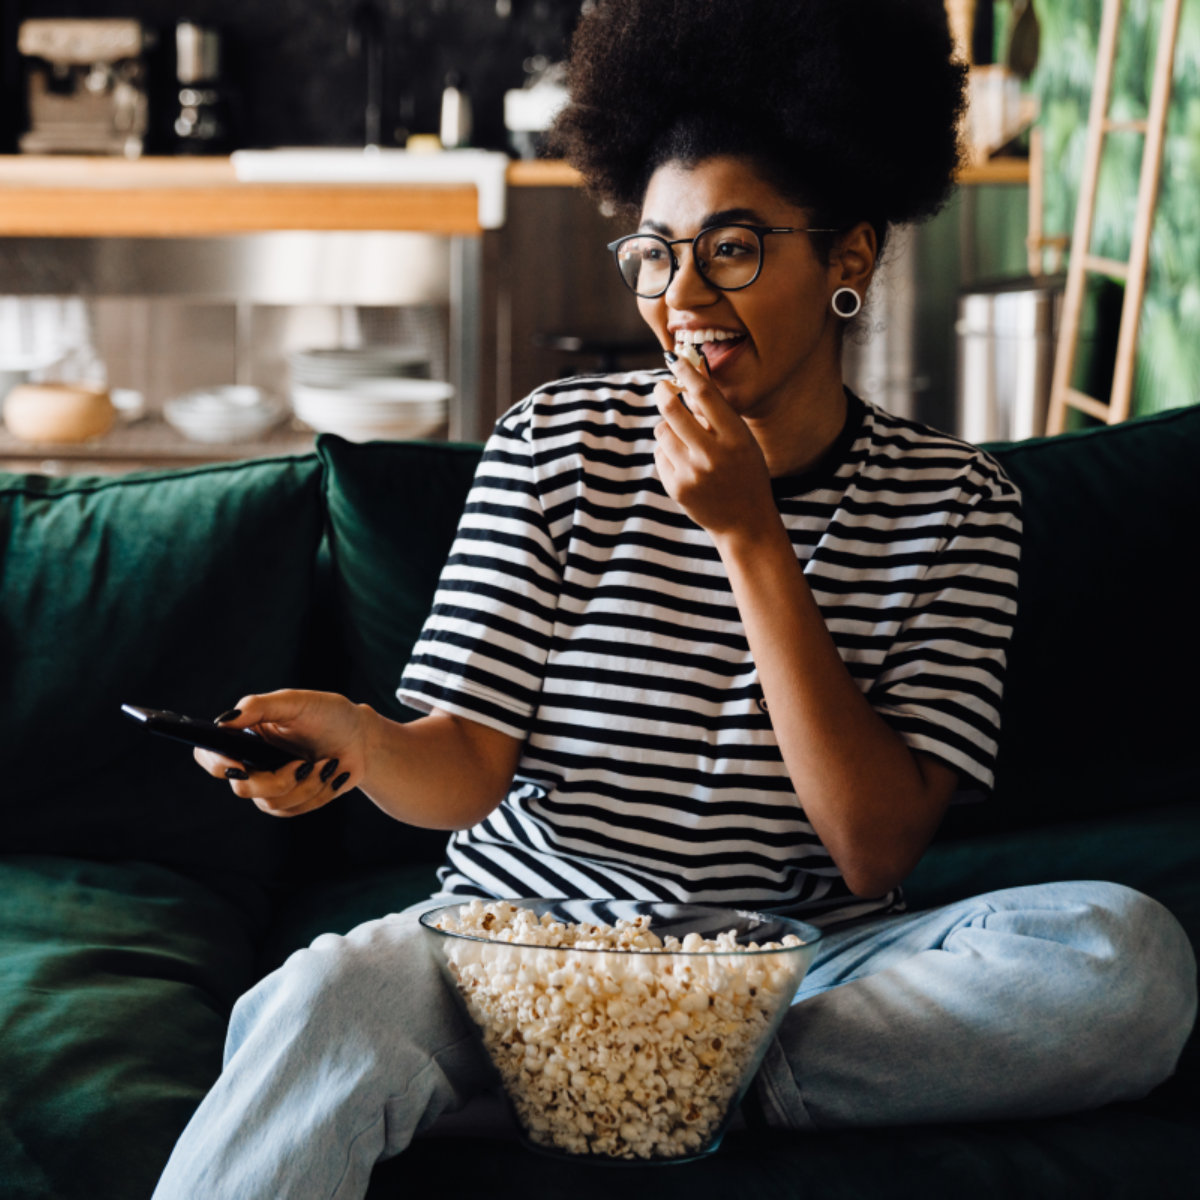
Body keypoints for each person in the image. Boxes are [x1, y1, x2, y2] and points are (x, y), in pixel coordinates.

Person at [152, 1, 1196, 1196]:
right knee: (324, 994)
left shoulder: (957, 506)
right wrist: (361, 735)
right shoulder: (554, 444)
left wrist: (752, 536)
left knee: (1128, 961)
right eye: (654, 251)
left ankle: (627, 1084)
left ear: (848, 256)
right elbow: (464, 768)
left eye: (734, 248)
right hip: (522, 954)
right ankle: (621, 1077)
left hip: (797, 970)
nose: (681, 296)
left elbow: (873, 848)